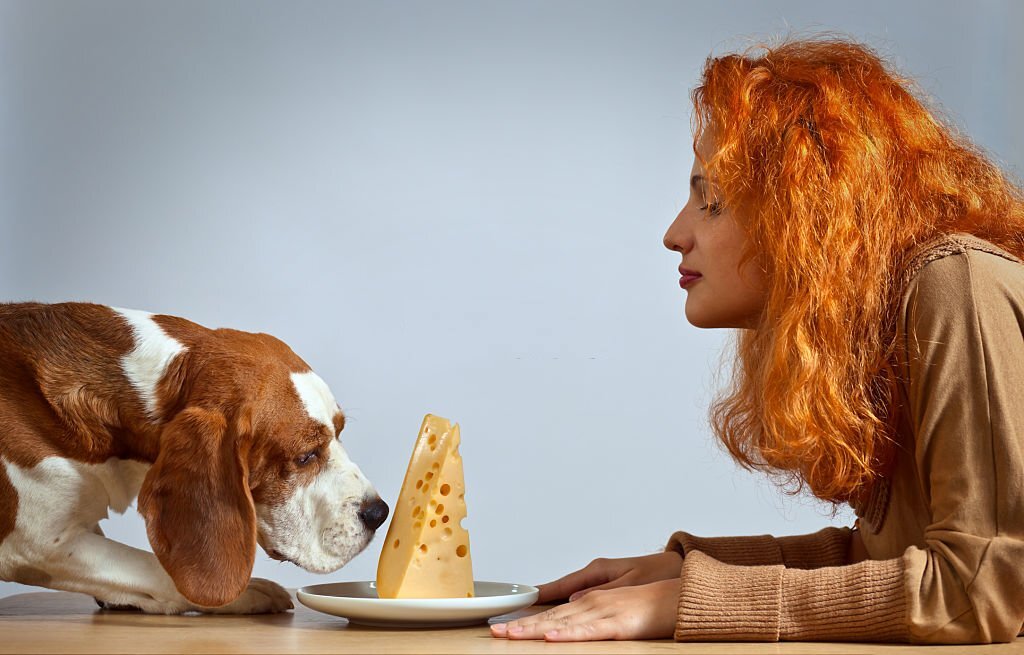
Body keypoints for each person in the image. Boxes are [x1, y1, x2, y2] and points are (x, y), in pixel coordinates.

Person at [491, 35, 1024, 644]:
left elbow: (982, 588)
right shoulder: (889, 314)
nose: (674, 233)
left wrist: (693, 601)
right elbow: (888, 558)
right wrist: (693, 567)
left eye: (711, 201)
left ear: (808, 214)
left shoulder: (958, 284)